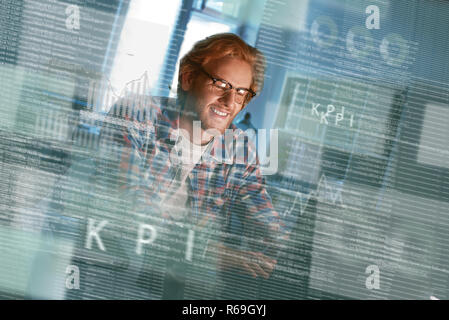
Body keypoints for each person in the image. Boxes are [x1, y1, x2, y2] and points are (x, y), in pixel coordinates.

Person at [98, 33, 287, 299]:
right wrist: (209, 252)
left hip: (177, 284)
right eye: (221, 84)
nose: (230, 101)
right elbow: (131, 210)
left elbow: (263, 216)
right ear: (187, 78)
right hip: (112, 271)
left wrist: (292, 252)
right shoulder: (136, 114)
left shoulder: (239, 148)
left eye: (241, 92)